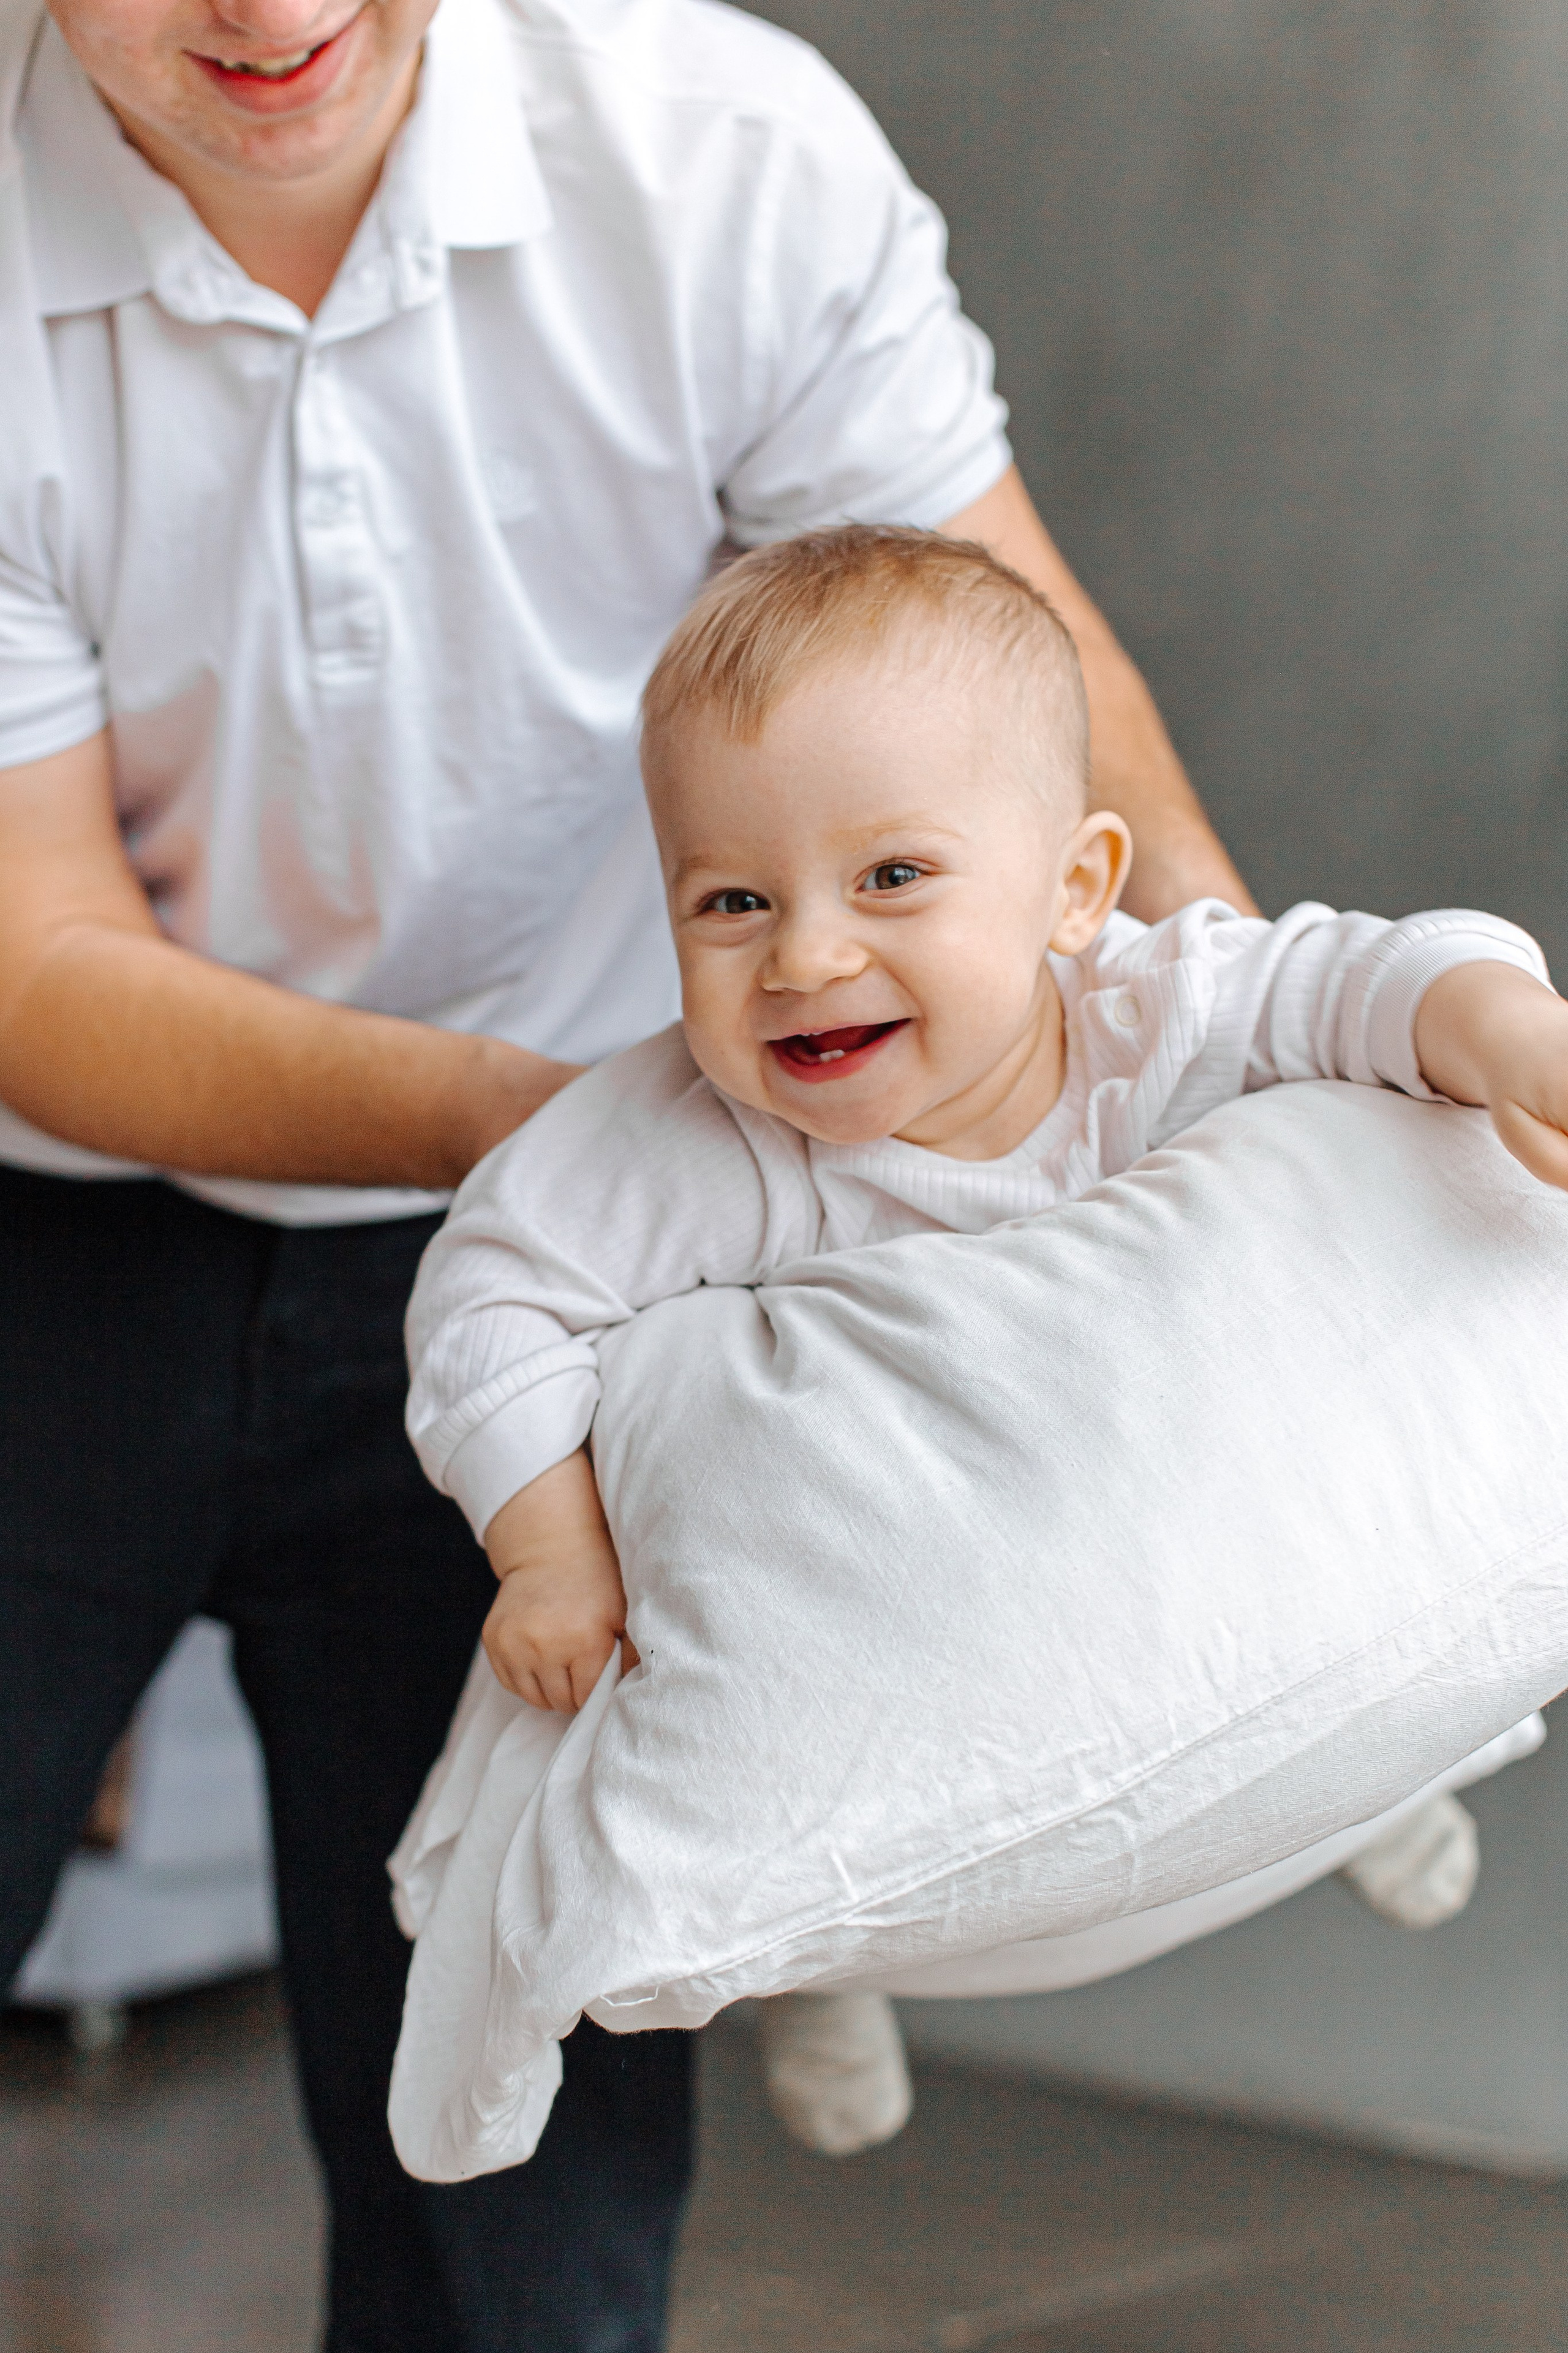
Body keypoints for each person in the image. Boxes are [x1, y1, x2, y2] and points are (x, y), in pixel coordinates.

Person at [0, 0, 1253, 2335]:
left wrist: (1232, 1058)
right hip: (80, 1239)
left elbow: (1015, 687)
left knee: (526, 2200)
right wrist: (582, 1142)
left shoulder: (720, 155)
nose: (270, 17)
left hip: (600, 1279)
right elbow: (36, 959)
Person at [404, 526, 1567, 2154]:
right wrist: (550, 1552)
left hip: (1194, 1509)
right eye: (731, 900)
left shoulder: (1158, 1008)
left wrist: (1510, 1034)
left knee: (1311, 1591)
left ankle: (1369, 1791)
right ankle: (815, 1969)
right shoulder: (695, 1133)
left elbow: (1355, 975)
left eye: (891, 878)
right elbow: (491, 1285)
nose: (806, 956)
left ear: (1076, 891)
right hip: (915, 1592)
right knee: (780, 1708)